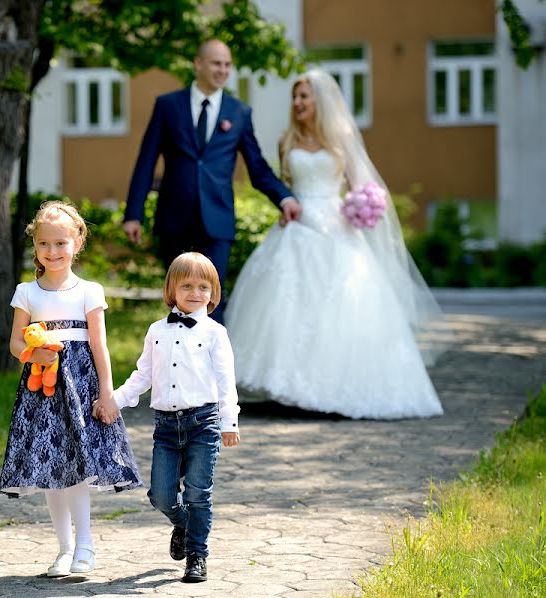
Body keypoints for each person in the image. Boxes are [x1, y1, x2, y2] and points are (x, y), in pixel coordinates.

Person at [225, 68, 451, 419]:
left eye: (304, 96)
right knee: (289, 305)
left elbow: (364, 185)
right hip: (298, 226)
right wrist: (286, 204)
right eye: (295, 97)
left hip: (338, 225)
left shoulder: (341, 137)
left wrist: (364, 206)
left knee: (342, 304)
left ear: (320, 101)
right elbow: (284, 184)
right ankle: (295, 387)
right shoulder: (288, 140)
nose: (297, 103)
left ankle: (335, 387)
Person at [0, 201, 142, 577]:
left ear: (77, 242)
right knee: (50, 467)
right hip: (42, 392)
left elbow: (99, 346)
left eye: (61, 243)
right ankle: (63, 548)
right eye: (45, 244)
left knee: (78, 466)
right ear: (36, 247)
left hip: (81, 388)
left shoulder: (89, 291)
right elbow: (15, 342)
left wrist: (107, 394)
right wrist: (33, 353)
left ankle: (86, 545)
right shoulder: (27, 291)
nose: (53, 251)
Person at [123, 38, 302, 322]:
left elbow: (257, 166)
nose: (223, 70)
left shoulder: (239, 112)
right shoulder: (168, 106)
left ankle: (212, 366)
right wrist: (133, 213)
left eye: (228, 65)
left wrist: (284, 197)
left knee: (211, 303)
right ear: (198, 64)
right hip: (174, 219)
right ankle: (176, 364)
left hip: (217, 221)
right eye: (217, 63)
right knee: (177, 303)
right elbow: (146, 162)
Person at [106, 252, 240, 583]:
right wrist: (115, 400)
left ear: (213, 292)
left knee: (198, 492)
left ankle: (197, 556)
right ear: (172, 289)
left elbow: (226, 381)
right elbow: (142, 376)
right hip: (166, 427)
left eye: (203, 286)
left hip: (203, 424)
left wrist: (229, 421)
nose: (195, 293)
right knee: (161, 495)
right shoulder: (156, 331)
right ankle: (182, 522)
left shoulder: (214, 333)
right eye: (187, 285)